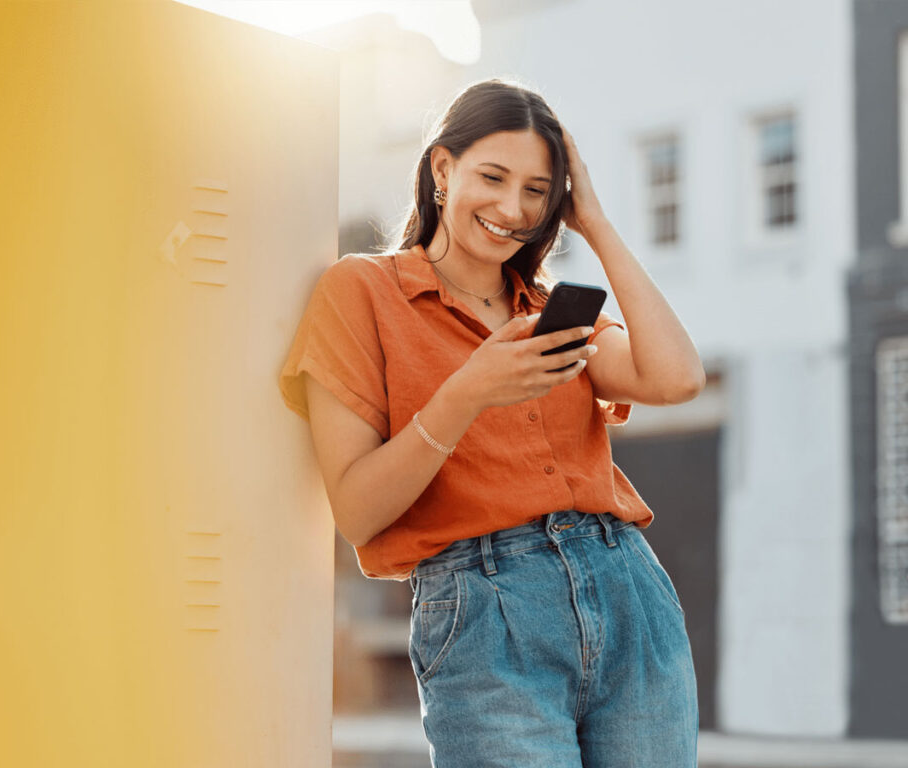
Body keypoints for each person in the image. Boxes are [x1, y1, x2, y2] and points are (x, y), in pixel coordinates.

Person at [278, 78, 705, 768]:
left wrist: (593, 221)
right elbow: (357, 511)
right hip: (483, 613)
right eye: (494, 177)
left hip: (627, 593)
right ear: (442, 169)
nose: (513, 208)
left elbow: (677, 376)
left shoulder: (547, 313)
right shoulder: (359, 291)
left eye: (538, 191)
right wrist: (467, 392)